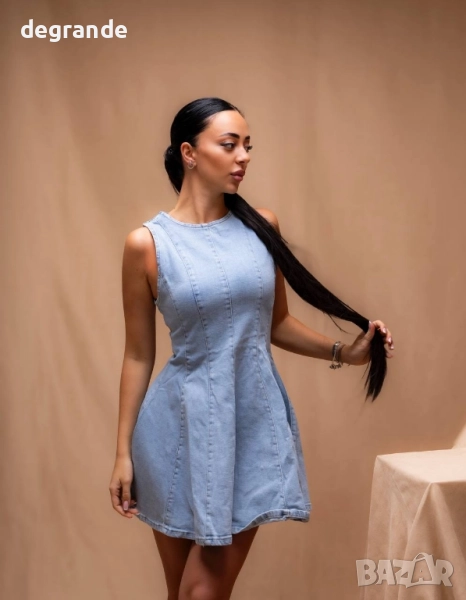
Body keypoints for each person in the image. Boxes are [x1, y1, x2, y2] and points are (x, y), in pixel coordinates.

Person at [109, 97, 395, 599]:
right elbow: (138, 355)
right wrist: (122, 454)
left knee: (201, 594)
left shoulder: (261, 226)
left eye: (247, 145)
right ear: (189, 153)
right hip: (174, 431)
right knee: (181, 594)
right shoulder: (147, 245)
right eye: (229, 144)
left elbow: (274, 323)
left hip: (248, 423)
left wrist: (344, 352)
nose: (243, 156)